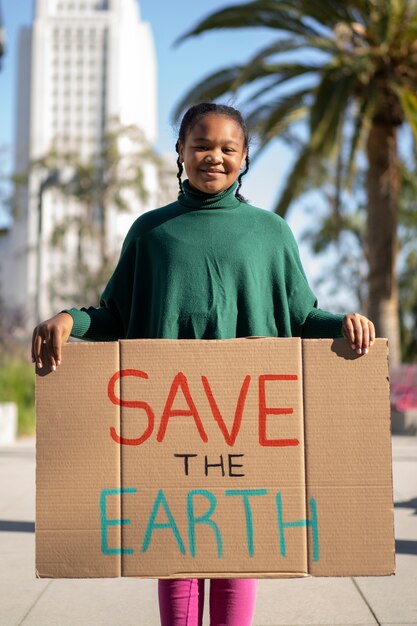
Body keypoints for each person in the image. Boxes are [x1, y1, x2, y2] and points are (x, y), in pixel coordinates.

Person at [32, 102, 375, 626]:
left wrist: (346, 324)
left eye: (227, 149)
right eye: (201, 145)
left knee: (242, 553)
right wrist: (68, 320)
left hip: (251, 426)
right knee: (173, 555)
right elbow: (116, 316)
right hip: (169, 424)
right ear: (181, 152)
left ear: (244, 159)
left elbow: (301, 316)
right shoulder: (151, 232)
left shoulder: (272, 233)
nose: (213, 157)